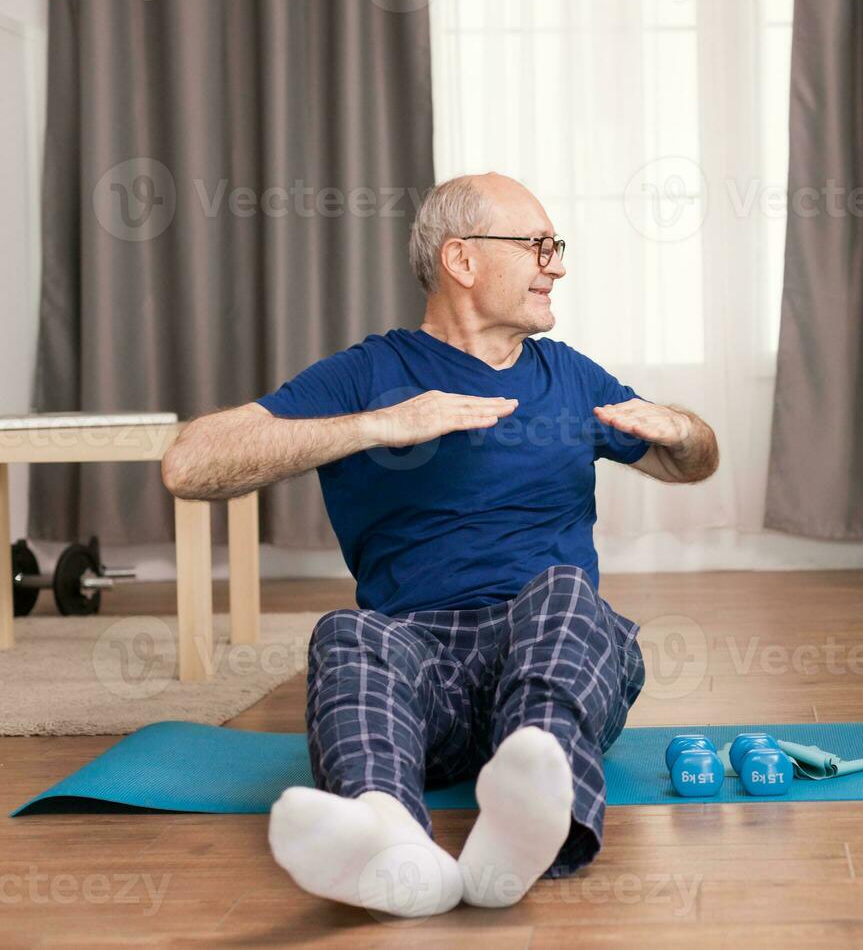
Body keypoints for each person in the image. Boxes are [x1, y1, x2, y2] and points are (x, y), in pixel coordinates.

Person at [161, 173, 718, 917]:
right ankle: (392, 846)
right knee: (349, 633)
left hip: (554, 647)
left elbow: (691, 464)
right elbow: (189, 464)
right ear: (462, 259)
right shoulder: (371, 374)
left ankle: (530, 822)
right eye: (538, 246)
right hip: (426, 670)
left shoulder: (572, 377)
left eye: (556, 247)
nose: (556, 264)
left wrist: (684, 428)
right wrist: (375, 426)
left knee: (561, 593)